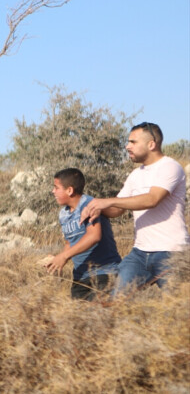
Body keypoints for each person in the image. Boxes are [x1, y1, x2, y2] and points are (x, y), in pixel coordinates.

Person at [81, 122, 189, 295]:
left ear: (151, 144)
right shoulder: (135, 175)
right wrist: (89, 205)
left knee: (177, 305)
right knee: (116, 301)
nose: (127, 146)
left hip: (171, 251)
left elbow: (152, 199)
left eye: (133, 142)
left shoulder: (170, 167)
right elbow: (117, 209)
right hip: (139, 254)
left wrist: (106, 202)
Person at [44, 168, 121, 300]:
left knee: (98, 314)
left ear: (70, 190)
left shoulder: (89, 204)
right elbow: (70, 242)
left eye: (56, 187)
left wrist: (64, 256)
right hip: (80, 277)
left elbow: (94, 236)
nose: (53, 191)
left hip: (104, 273)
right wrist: (57, 260)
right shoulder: (64, 214)